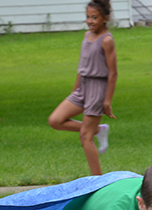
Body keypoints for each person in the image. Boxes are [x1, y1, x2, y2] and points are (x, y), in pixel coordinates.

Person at [48, 0, 117, 176]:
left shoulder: (107, 40)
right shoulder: (86, 36)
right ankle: (98, 129)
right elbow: (82, 66)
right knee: (55, 120)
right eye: (88, 17)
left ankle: (97, 180)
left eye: (95, 17)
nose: (90, 21)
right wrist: (74, 90)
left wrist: (107, 101)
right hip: (82, 87)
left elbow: (113, 73)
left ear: (105, 18)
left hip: (97, 89)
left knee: (85, 137)